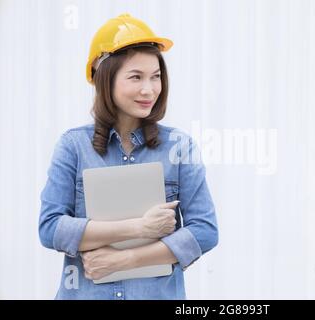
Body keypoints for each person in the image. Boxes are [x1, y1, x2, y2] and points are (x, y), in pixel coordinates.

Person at [38, 13, 218, 300]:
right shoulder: (73, 146)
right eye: (136, 77)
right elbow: (50, 228)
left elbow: (205, 231)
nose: (149, 90)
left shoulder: (179, 147)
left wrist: (125, 260)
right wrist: (139, 227)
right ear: (105, 80)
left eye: (156, 77)